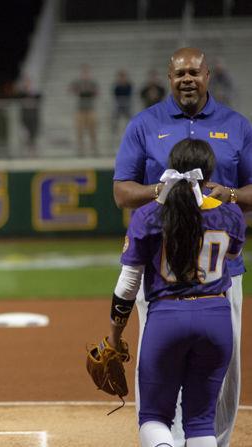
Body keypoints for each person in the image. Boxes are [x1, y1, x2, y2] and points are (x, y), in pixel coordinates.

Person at [113, 47, 252, 447]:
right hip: (161, 272)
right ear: (168, 79)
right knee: (165, 367)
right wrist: (165, 190)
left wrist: (228, 194)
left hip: (221, 277)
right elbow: (122, 192)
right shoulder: (145, 124)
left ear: (208, 76)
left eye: (194, 72)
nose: (187, 79)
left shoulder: (237, 125)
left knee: (223, 373)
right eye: (179, 74)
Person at [69, 63, 99, 155]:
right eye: (84, 73)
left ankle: (94, 148)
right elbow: (71, 90)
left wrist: (87, 91)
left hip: (90, 109)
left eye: (87, 73)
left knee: (92, 130)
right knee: (79, 130)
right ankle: (80, 149)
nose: (85, 75)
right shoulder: (78, 82)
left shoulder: (93, 83)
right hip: (80, 110)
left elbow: (96, 93)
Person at [111, 69, 133, 134]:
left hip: (127, 105)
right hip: (119, 105)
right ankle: (115, 130)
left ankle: (132, 129)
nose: (122, 78)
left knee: (131, 117)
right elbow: (116, 95)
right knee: (115, 117)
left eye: (123, 76)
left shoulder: (129, 85)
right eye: (121, 76)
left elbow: (129, 95)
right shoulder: (117, 86)